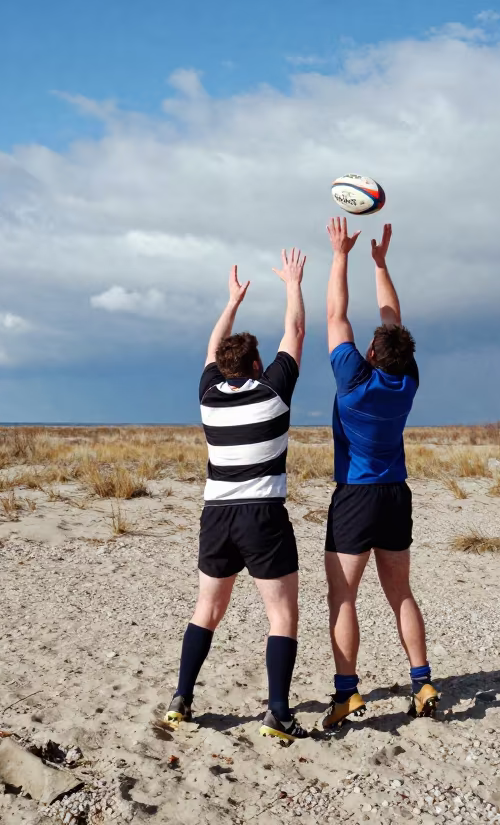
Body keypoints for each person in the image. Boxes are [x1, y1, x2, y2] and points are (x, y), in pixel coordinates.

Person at [164, 248, 312, 743]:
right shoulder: (273, 393)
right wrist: (292, 282)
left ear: (224, 367)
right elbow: (296, 333)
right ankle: (277, 712)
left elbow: (210, 350)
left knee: (207, 608)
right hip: (263, 516)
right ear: (255, 364)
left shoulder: (207, 396)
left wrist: (231, 303)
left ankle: (181, 699)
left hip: (216, 516)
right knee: (282, 615)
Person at [320, 217, 439, 729]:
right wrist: (381, 263)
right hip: (396, 494)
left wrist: (341, 253)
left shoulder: (352, 379)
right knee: (401, 593)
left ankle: (347, 693)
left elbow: (334, 312)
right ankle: (423, 680)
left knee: (343, 596)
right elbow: (393, 322)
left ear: (370, 354)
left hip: (356, 497)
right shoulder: (407, 379)